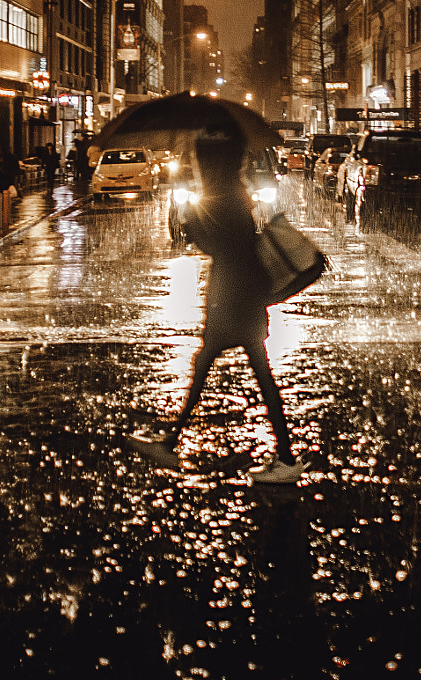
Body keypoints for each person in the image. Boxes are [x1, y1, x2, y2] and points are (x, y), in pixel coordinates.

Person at [126, 134, 301, 484]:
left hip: (233, 296)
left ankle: (281, 457)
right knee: (243, 372)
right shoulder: (233, 193)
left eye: (199, 161)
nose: (197, 167)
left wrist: (191, 221)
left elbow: (218, 245)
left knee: (214, 366)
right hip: (241, 294)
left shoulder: (224, 198)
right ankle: (283, 456)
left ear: (212, 165)